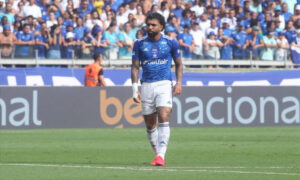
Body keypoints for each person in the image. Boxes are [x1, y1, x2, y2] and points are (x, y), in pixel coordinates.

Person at [131, 12, 183, 166]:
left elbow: (179, 64)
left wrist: (179, 82)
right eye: (148, 24)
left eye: (153, 25)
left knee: (164, 114)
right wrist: (135, 88)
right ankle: (157, 154)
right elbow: (134, 67)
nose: (150, 27)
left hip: (164, 84)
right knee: (149, 124)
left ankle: (161, 156)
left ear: (161, 27)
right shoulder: (139, 43)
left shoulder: (171, 42)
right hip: (146, 85)